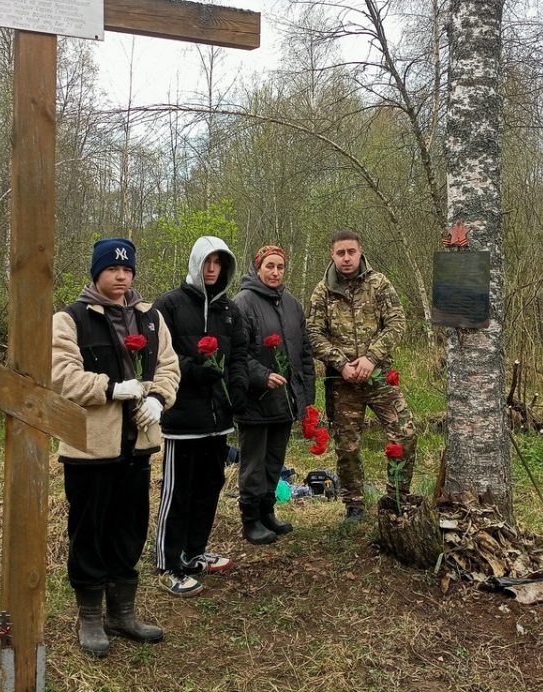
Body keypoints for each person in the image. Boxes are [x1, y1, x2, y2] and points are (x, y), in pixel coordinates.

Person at [52, 236, 179, 658]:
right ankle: (89, 616)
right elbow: (62, 377)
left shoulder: (150, 318)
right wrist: (111, 388)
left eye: (127, 270)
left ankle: (121, 612)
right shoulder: (69, 319)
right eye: (112, 269)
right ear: (97, 273)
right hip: (89, 446)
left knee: (129, 528)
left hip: (138, 443)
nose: (121, 276)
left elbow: (168, 367)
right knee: (89, 530)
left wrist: (159, 399)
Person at [154, 236, 249, 597]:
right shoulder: (169, 304)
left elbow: (239, 352)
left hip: (218, 418)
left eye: (219, 263)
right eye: (207, 262)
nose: (212, 269)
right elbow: (157, 354)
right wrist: (191, 369)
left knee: (209, 488)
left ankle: (193, 552)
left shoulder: (229, 310)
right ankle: (168, 562)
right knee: (178, 492)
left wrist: (237, 387)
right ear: (196, 263)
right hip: (182, 418)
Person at [306, 229, 415, 522]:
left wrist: (371, 357)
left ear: (360, 251)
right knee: (347, 444)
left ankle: (396, 498)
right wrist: (341, 363)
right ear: (332, 254)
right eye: (340, 253)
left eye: (350, 252)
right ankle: (354, 504)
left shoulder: (379, 284)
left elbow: (396, 323)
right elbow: (314, 334)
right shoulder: (322, 291)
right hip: (343, 382)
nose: (346, 258)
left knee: (404, 432)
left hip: (379, 378)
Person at [233, 244, 317, 544]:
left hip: (286, 399)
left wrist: (306, 398)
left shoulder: (292, 304)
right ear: (258, 268)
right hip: (256, 400)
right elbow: (237, 352)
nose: (275, 272)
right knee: (253, 462)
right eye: (270, 266)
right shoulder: (243, 302)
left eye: (280, 267)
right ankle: (251, 518)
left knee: (274, 459)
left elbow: (304, 353)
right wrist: (261, 375)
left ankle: (267, 511)